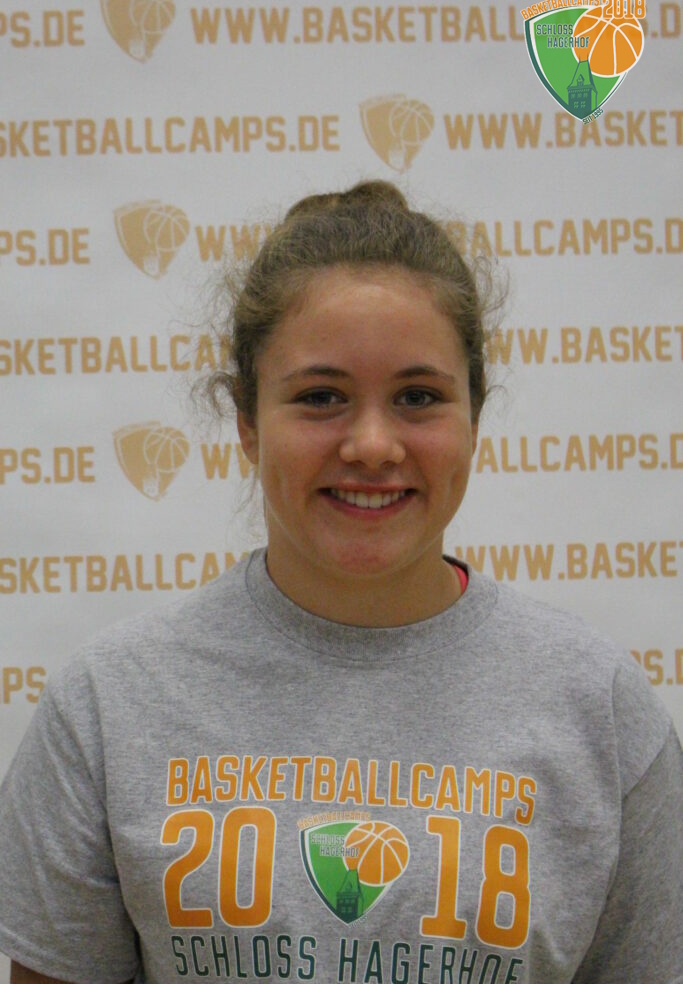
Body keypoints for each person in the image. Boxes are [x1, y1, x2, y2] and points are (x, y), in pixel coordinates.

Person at [0, 181, 680, 984]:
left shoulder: (598, 709)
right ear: (247, 421)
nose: (371, 444)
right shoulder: (107, 705)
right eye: (320, 397)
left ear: (474, 417)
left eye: (418, 397)